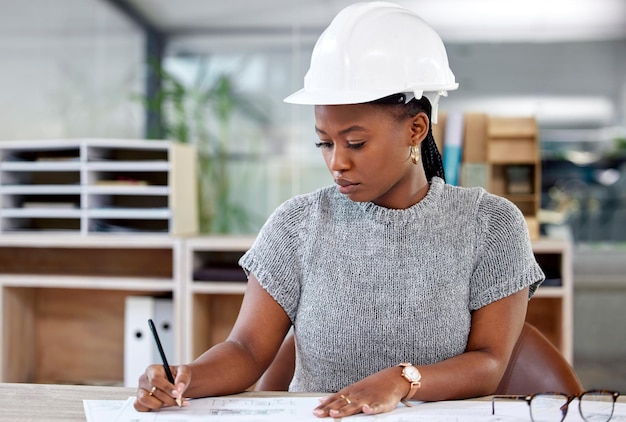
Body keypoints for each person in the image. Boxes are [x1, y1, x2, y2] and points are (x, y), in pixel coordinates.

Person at [134, 1, 545, 418]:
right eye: (324, 143)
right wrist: (186, 377)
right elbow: (247, 349)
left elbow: (490, 362)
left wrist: (402, 381)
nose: (337, 163)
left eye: (356, 143)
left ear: (416, 129)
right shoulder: (296, 224)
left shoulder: (490, 224)